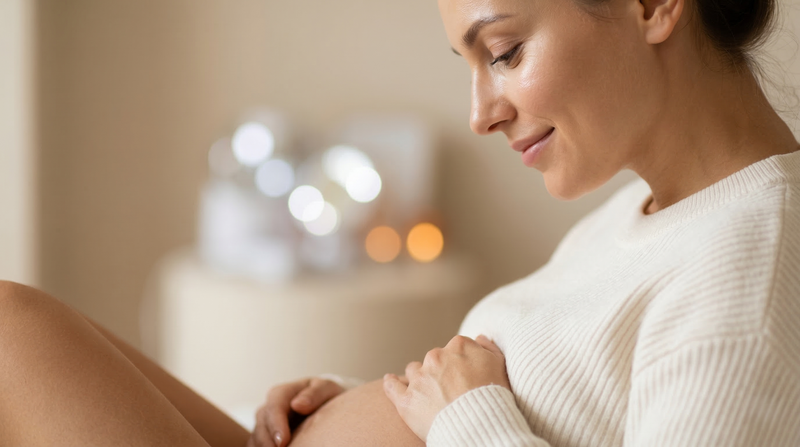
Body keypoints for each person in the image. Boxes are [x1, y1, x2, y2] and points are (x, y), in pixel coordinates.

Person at [0, 0, 798, 443]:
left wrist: (464, 419)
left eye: (507, 52)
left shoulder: (751, 271)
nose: (481, 113)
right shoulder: (648, 213)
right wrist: (365, 401)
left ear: (655, 4)